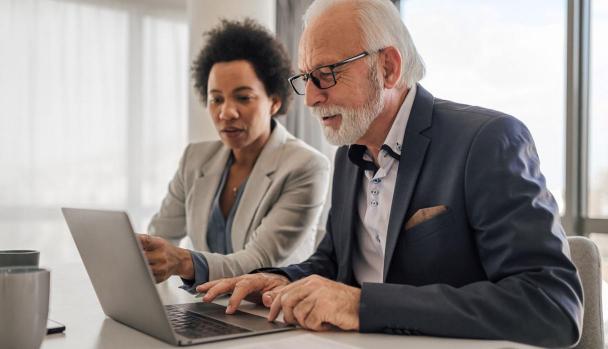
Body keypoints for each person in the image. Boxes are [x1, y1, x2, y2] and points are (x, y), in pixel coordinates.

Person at [195, 1, 583, 347]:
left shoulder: (487, 141)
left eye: (327, 73)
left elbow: (550, 304)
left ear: (388, 66)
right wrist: (282, 279)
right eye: (306, 78)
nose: (311, 98)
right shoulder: (350, 153)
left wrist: (363, 305)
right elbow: (333, 264)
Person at [139, 19, 330, 290]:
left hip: (270, 315)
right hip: (207, 309)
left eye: (243, 97)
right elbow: (160, 236)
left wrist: (182, 261)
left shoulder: (306, 167)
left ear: (274, 101)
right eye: (216, 99)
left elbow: (258, 263)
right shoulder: (195, 159)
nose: (225, 112)